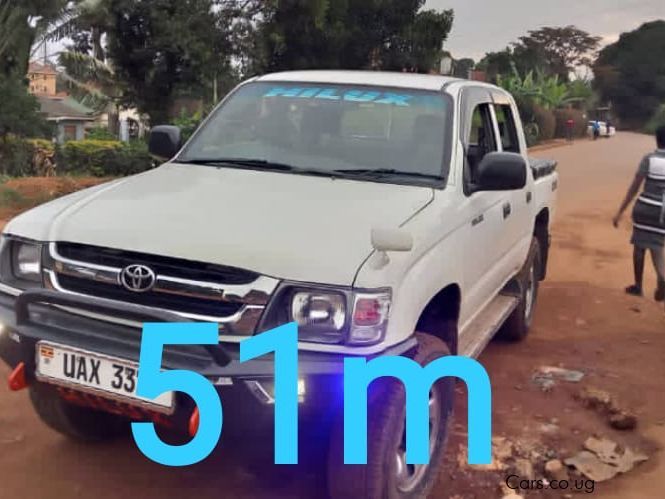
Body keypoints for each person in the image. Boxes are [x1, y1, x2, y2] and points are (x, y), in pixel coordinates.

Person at [613, 125, 665, 308]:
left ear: (657, 139)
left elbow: (635, 187)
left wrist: (620, 211)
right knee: (657, 245)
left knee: (639, 247)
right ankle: (662, 275)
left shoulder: (649, 160)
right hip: (662, 213)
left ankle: (638, 285)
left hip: (644, 209)